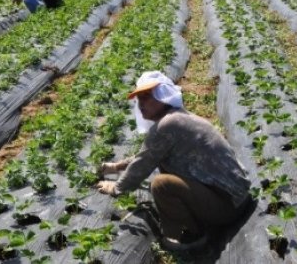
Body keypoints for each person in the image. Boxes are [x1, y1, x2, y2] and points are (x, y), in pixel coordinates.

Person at [96, 71, 252, 251]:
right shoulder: (178, 117)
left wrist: (116, 188)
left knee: (162, 184)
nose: (141, 104)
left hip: (228, 207)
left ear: (162, 96)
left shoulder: (167, 125)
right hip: (237, 198)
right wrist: (116, 167)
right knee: (164, 168)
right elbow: (148, 154)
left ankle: (192, 236)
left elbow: (143, 163)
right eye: (139, 99)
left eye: (146, 97)